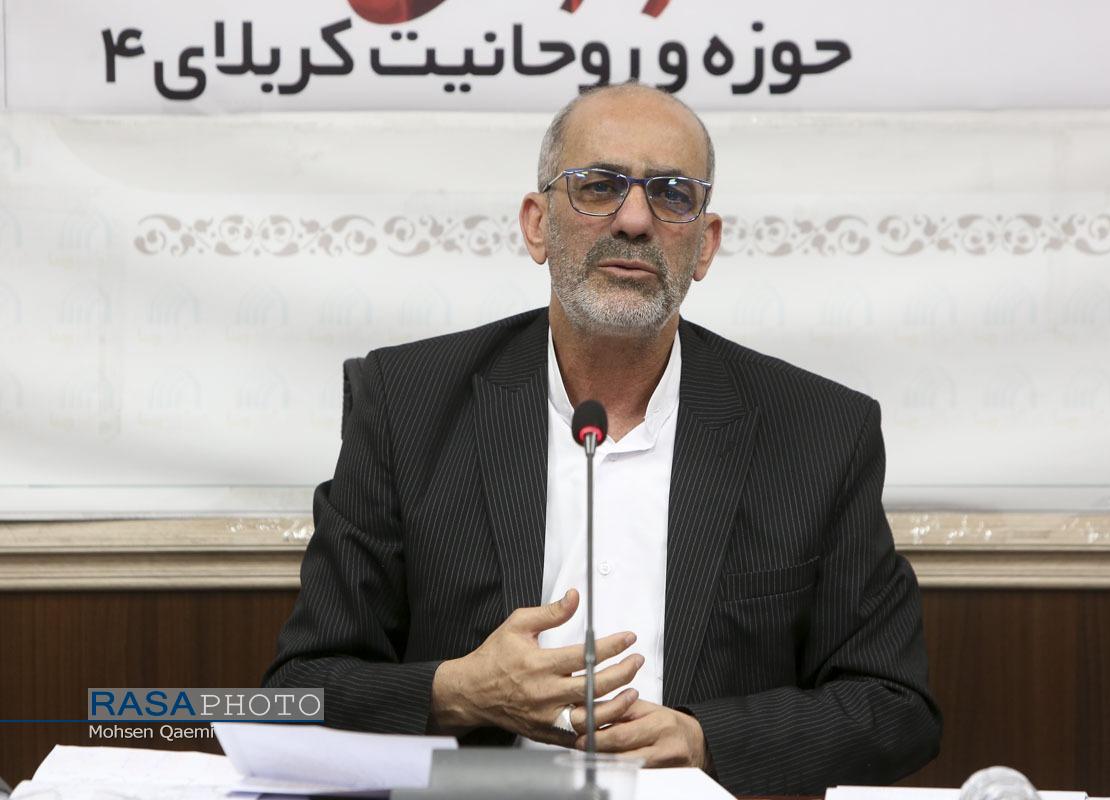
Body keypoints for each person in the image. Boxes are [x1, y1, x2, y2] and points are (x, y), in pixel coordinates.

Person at [264, 82, 941, 796]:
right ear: (537, 225)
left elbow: (897, 709)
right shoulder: (406, 405)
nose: (636, 219)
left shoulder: (817, 432)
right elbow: (294, 695)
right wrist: (459, 692)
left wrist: (707, 740)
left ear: (705, 245)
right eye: (599, 186)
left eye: (673, 195)